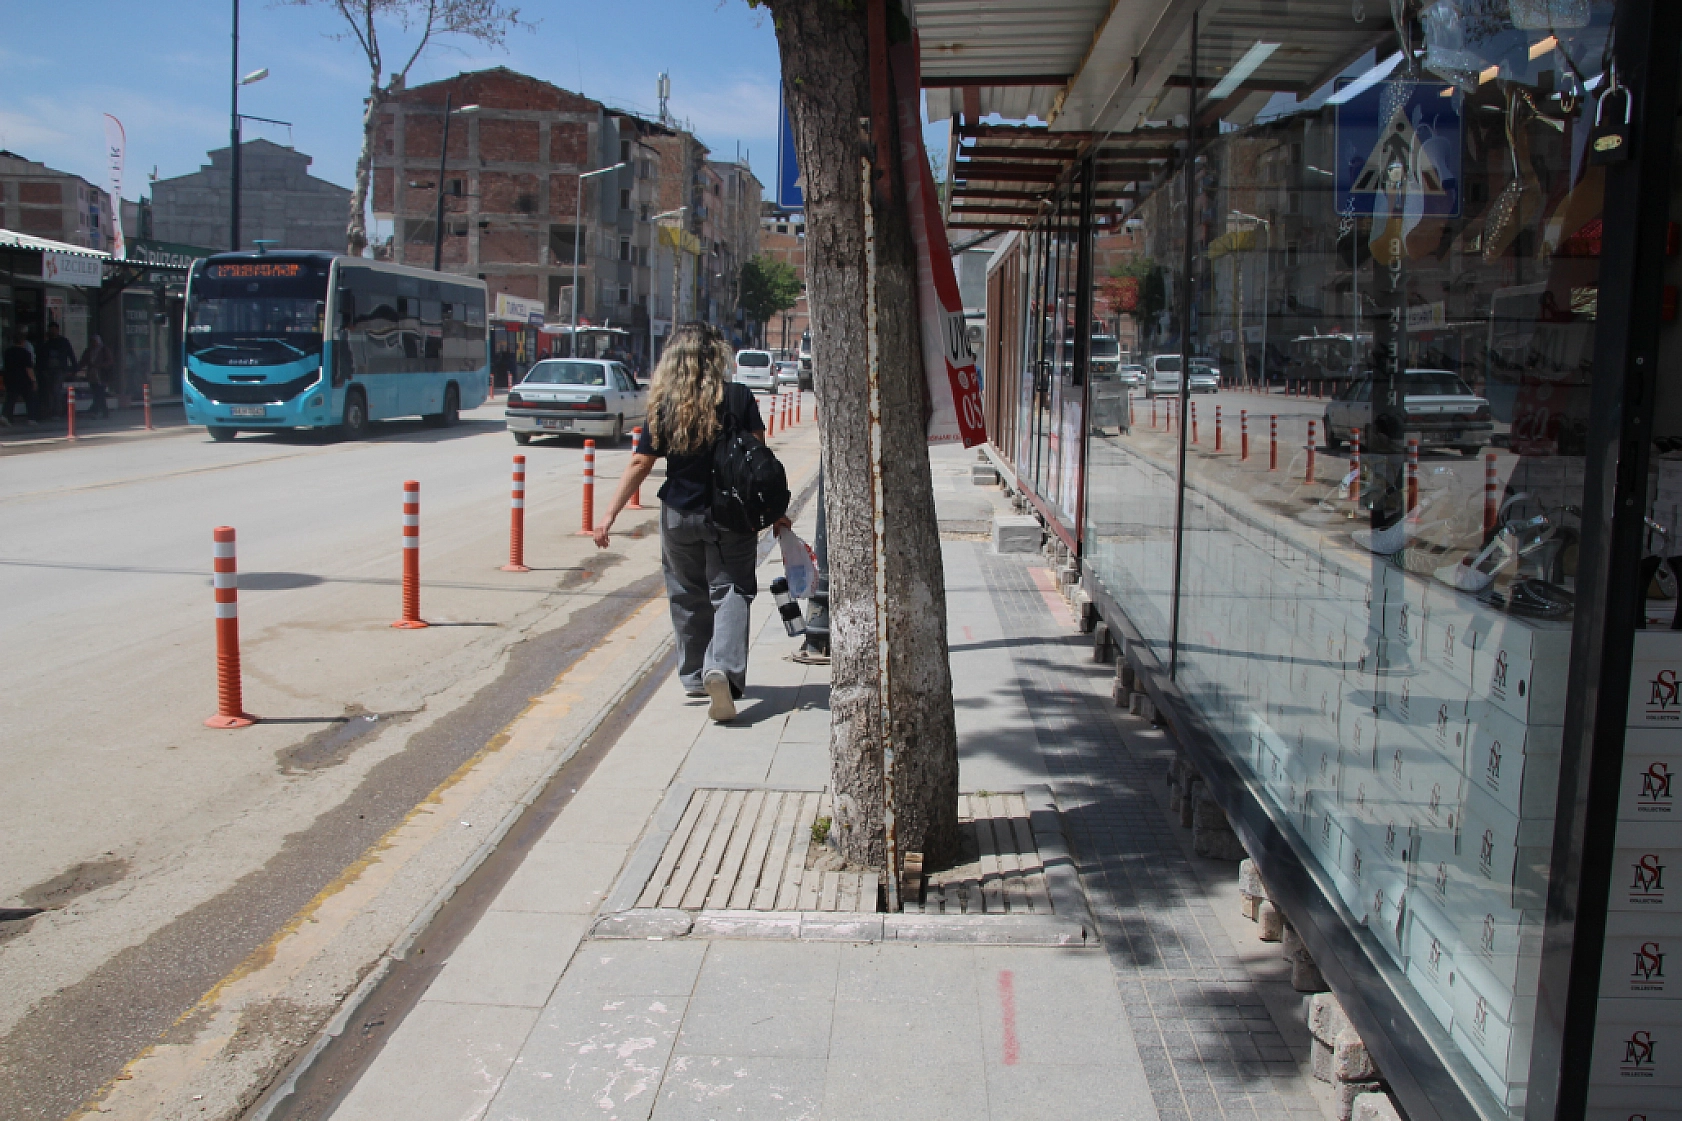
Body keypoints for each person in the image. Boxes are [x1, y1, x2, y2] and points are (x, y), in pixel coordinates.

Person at [591, 322, 790, 722]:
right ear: (717, 357)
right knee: (732, 589)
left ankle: (696, 676)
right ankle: (724, 670)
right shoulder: (738, 396)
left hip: (679, 513)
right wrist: (774, 510)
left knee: (686, 591)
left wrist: (610, 513)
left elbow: (641, 461)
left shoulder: (666, 403)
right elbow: (759, 460)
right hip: (733, 514)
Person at [37, 322, 77, 421]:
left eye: (54, 329)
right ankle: (50, 411)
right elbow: (40, 356)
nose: (52, 331)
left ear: (58, 330)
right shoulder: (46, 343)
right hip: (47, 369)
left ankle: (57, 411)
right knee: (49, 390)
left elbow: (70, 354)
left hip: (59, 369)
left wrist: (74, 368)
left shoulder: (63, 342)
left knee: (56, 389)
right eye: (51, 330)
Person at [2, 334, 36, 426]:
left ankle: (6, 416)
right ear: (23, 342)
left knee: (11, 398)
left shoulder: (7, 352)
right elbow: (28, 369)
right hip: (24, 379)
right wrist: (33, 380)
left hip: (10, 378)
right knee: (29, 398)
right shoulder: (26, 353)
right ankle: (31, 418)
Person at [81, 334, 114, 418]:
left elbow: (110, 361)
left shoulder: (104, 350)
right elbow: (83, 361)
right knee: (96, 393)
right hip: (92, 375)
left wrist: (99, 365)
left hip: (101, 375)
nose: (93, 343)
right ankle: (102, 411)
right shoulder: (89, 350)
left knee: (100, 393)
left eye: (95, 341)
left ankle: (96, 410)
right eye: (92, 341)